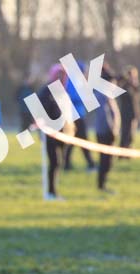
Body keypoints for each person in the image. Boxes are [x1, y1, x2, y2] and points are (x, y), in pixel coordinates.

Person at [36, 64, 75, 200]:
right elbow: (39, 111)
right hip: (50, 134)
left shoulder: (64, 92)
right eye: (58, 75)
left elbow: (68, 113)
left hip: (63, 133)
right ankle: (51, 192)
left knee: (59, 163)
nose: (60, 78)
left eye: (63, 75)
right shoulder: (45, 91)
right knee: (55, 162)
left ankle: (53, 191)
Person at [64, 61, 97, 172]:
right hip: (75, 116)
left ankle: (66, 164)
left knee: (73, 141)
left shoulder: (76, 81)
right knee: (82, 140)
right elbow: (74, 97)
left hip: (76, 115)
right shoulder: (73, 82)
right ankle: (90, 164)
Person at [94, 66, 121, 193]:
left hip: (107, 132)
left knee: (107, 161)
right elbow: (105, 115)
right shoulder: (102, 95)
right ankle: (101, 186)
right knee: (105, 160)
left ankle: (102, 185)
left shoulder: (107, 95)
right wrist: (111, 130)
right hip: (105, 132)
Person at [117, 66, 139, 154]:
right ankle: (123, 153)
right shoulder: (125, 86)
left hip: (133, 114)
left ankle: (127, 152)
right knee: (125, 134)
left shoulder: (134, 86)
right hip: (126, 114)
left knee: (131, 135)